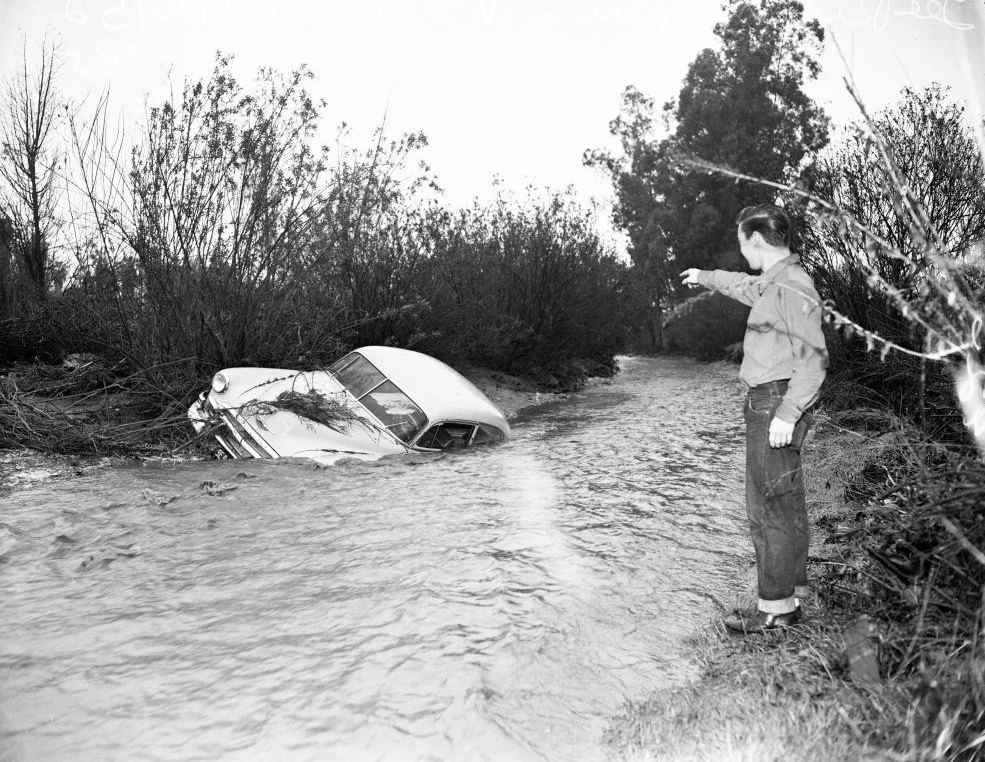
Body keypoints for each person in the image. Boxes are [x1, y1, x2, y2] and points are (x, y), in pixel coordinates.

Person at [680, 203, 828, 634]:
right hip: (771, 401)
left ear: (758, 241)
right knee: (787, 501)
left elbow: (815, 362)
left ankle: (776, 610)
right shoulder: (773, 282)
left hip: (775, 403)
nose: (741, 250)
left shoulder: (793, 286)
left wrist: (787, 413)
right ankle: (793, 592)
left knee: (768, 509)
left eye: (743, 242)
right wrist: (704, 276)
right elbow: (743, 285)